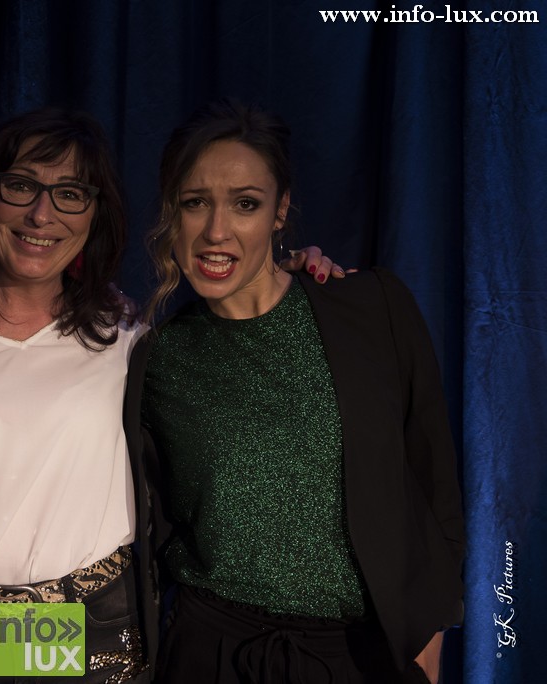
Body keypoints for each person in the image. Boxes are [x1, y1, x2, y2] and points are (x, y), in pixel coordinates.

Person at [0, 108, 340, 682]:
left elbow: (243, 344)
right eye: (20, 186)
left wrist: (297, 279)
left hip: (87, 634)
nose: (41, 214)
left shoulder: (127, 336)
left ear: (95, 216)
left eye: (70, 194)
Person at [134, 99, 466, 683]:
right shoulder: (156, 357)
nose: (216, 231)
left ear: (280, 210)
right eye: (195, 202)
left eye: (246, 203)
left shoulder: (372, 306)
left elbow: (432, 478)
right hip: (210, 653)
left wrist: (429, 633)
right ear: (171, 211)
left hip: (356, 659)